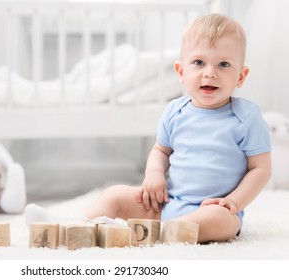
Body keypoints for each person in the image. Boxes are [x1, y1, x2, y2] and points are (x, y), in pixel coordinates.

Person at [25, 13, 271, 243]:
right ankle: (72, 225)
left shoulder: (245, 117)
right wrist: (153, 174)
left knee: (220, 221)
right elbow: (161, 151)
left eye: (224, 65)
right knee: (115, 194)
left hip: (213, 211)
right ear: (181, 71)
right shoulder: (175, 111)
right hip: (166, 204)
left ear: (241, 76)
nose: (210, 73)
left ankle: (153, 234)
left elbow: (260, 169)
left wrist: (233, 203)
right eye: (199, 62)